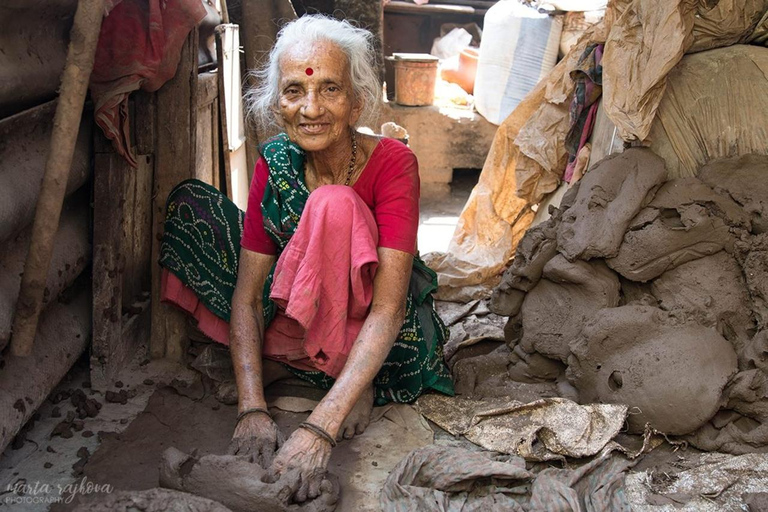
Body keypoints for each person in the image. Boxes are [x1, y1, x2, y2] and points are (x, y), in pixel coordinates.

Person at [158, 14, 453, 502]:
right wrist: (252, 409)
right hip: (300, 310)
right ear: (277, 103)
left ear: (356, 100)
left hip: (375, 326)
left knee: (332, 204)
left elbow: (388, 309)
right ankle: (292, 365)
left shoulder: (394, 164)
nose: (310, 108)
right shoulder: (275, 161)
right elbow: (249, 296)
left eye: (330, 89)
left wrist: (320, 429)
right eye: (294, 91)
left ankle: (344, 379)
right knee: (193, 206)